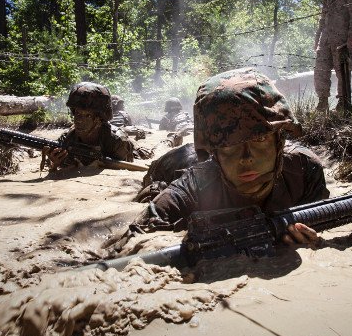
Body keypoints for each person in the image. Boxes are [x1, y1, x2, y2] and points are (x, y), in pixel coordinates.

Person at [135, 68, 330, 245]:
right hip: (172, 163)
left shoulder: (304, 170)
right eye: (229, 144)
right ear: (215, 151)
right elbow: (138, 237)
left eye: (260, 138)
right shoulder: (194, 186)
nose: (246, 158)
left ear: (279, 141)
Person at [43, 82, 135, 170]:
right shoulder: (67, 138)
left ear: (99, 120)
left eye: (87, 115)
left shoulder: (116, 141)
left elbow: (125, 175)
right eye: (77, 114)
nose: (79, 120)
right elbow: (54, 172)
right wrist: (54, 165)